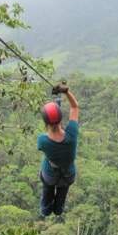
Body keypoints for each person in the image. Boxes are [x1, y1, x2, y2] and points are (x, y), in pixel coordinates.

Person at [37, 84, 79, 219]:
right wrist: (66, 91)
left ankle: (45, 210)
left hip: (50, 176)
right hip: (68, 176)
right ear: (61, 119)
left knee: (47, 190)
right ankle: (58, 210)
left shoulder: (42, 141)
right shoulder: (72, 135)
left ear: (45, 123)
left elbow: (50, 136)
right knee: (62, 192)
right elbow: (74, 107)